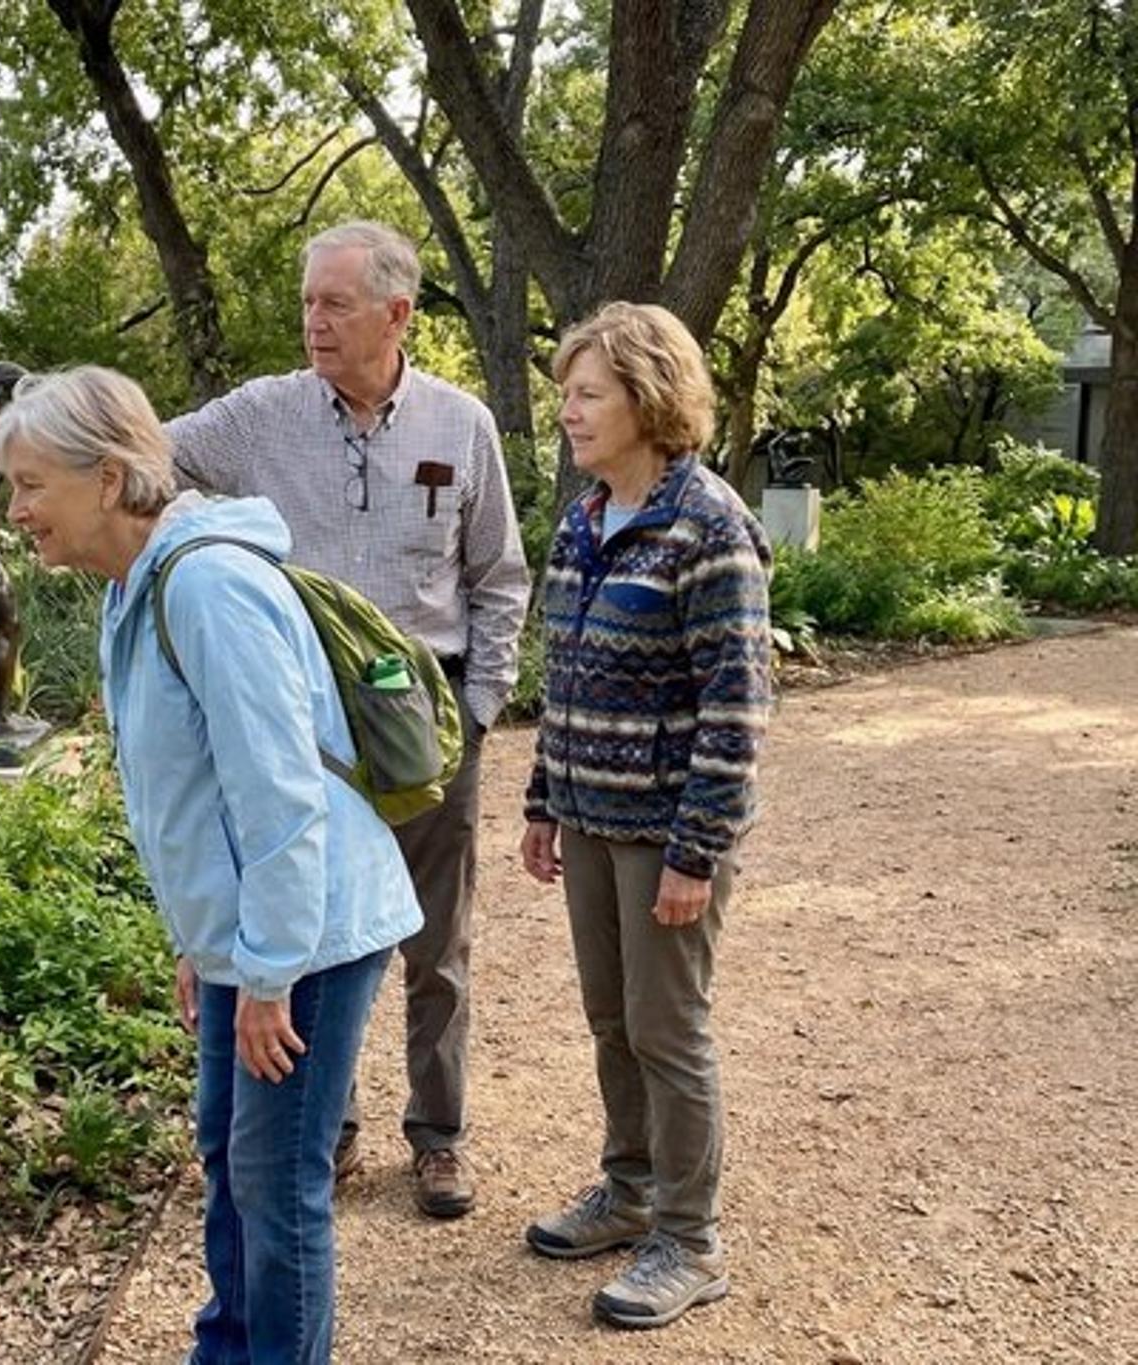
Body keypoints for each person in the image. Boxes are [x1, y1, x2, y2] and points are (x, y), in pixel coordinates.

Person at [0, 221, 529, 1218]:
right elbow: (127, 455)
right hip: (304, 717)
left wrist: (478, 710)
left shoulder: (460, 427)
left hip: (420, 718)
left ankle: (437, 1138)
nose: (311, 321)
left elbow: (499, 576)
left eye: (333, 304)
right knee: (319, 927)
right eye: (305, 302)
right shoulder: (263, 413)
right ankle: (331, 1130)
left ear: (395, 315)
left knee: (433, 945)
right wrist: (10, 435)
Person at [0, 365, 419, 1364]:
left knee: (278, 1191)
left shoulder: (208, 586)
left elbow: (279, 800)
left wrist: (266, 968)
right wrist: (204, 942)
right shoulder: (135, 586)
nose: (16, 512)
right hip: (253, 934)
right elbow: (196, 798)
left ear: (106, 479)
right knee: (234, 1164)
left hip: (302, 934)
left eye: (30, 485)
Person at [517, 302, 773, 1329]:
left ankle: (688, 1239)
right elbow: (564, 672)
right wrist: (543, 799)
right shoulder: (580, 520)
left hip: (666, 832)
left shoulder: (708, 526)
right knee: (610, 1020)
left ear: (646, 397)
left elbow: (736, 706)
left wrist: (696, 851)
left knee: (669, 1031)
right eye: (564, 395)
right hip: (587, 821)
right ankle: (626, 1193)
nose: (568, 413)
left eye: (587, 395)